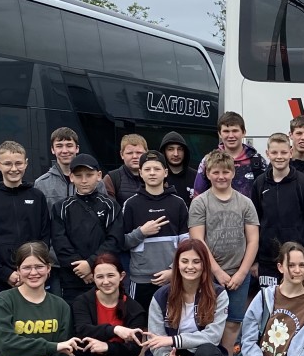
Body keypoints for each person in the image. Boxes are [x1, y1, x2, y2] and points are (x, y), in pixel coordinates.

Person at [0, 140, 56, 341]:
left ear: (26, 163)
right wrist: (6, 273)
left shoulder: (36, 196)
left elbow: (44, 237)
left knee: (34, 325)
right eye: (8, 163)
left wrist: (30, 270)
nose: (14, 169)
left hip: (32, 276)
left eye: (18, 163)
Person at [146, 238, 228, 356]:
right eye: (184, 261)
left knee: (207, 352)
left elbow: (214, 336)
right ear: (176, 264)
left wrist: (174, 340)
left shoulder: (218, 294)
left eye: (196, 261)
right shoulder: (160, 296)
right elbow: (155, 339)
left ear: (204, 265)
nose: (190, 267)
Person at [188, 149, 261, 356]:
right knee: (205, 321)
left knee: (233, 322)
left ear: (233, 173)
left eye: (226, 172)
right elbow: (198, 241)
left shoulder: (245, 203)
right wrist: (217, 272)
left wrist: (242, 273)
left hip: (239, 274)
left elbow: (253, 239)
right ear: (208, 174)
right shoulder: (200, 203)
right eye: (216, 172)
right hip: (208, 274)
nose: (221, 176)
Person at [251, 133, 304, 291]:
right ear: (267, 153)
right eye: (274, 152)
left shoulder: (303, 183)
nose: (279, 157)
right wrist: (254, 260)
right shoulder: (259, 183)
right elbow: (253, 225)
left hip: (298, 260)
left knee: (297, 301)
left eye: (283, 152)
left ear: (290, 152)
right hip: (267, 260)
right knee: (270, 303)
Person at [119, 151, 189, 310]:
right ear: (140, 173)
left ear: (165, 172)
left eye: (157, 169)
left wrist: (174, 270)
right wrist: (141, 232)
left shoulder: (178, 203)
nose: (152, 173)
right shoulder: (131, 204)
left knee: (172, 320)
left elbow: (186, 243)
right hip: (141, 279)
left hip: (172, 277)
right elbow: (121, 243)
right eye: (147, 169)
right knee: (139, 321)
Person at [51, 153, 122, 295]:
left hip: (104, 277)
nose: (84, 180)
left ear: (99, 175)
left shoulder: (111, 205)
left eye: (89, 175)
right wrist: (81, 269)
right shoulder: (61, 207)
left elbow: (115, 240)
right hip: (72, 278)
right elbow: (59, 242)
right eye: (78, 176)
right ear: (71, 177)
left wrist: (91, 264)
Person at [191, 112, 267, 197]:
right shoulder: (208, 161)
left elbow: (267, 195)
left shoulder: (258, 162)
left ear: (243, 132)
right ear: (219, 134)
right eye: (226, 131)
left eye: (235, 131)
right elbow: (198, 196)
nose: (231, 136)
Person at [34, 126, 80, 207]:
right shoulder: (41, 184)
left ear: (77, 148)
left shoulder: (94, 181)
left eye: (69, 145)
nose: (64, 151)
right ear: (52, 149)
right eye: (59, 146)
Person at [104, 133, 150, 205]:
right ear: (122, 154)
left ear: (147, 154)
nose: (134, 156)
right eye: (129, 153)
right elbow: (109, 208)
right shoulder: (111, 179)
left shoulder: (157, 176)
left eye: (139, 153)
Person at [159, 131, 196, 199]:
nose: (176, 154)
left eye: (180, 149)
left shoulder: (196, 177)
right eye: (170, 149)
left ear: (185, 151)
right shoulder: (158, 177)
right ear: (164, 152)